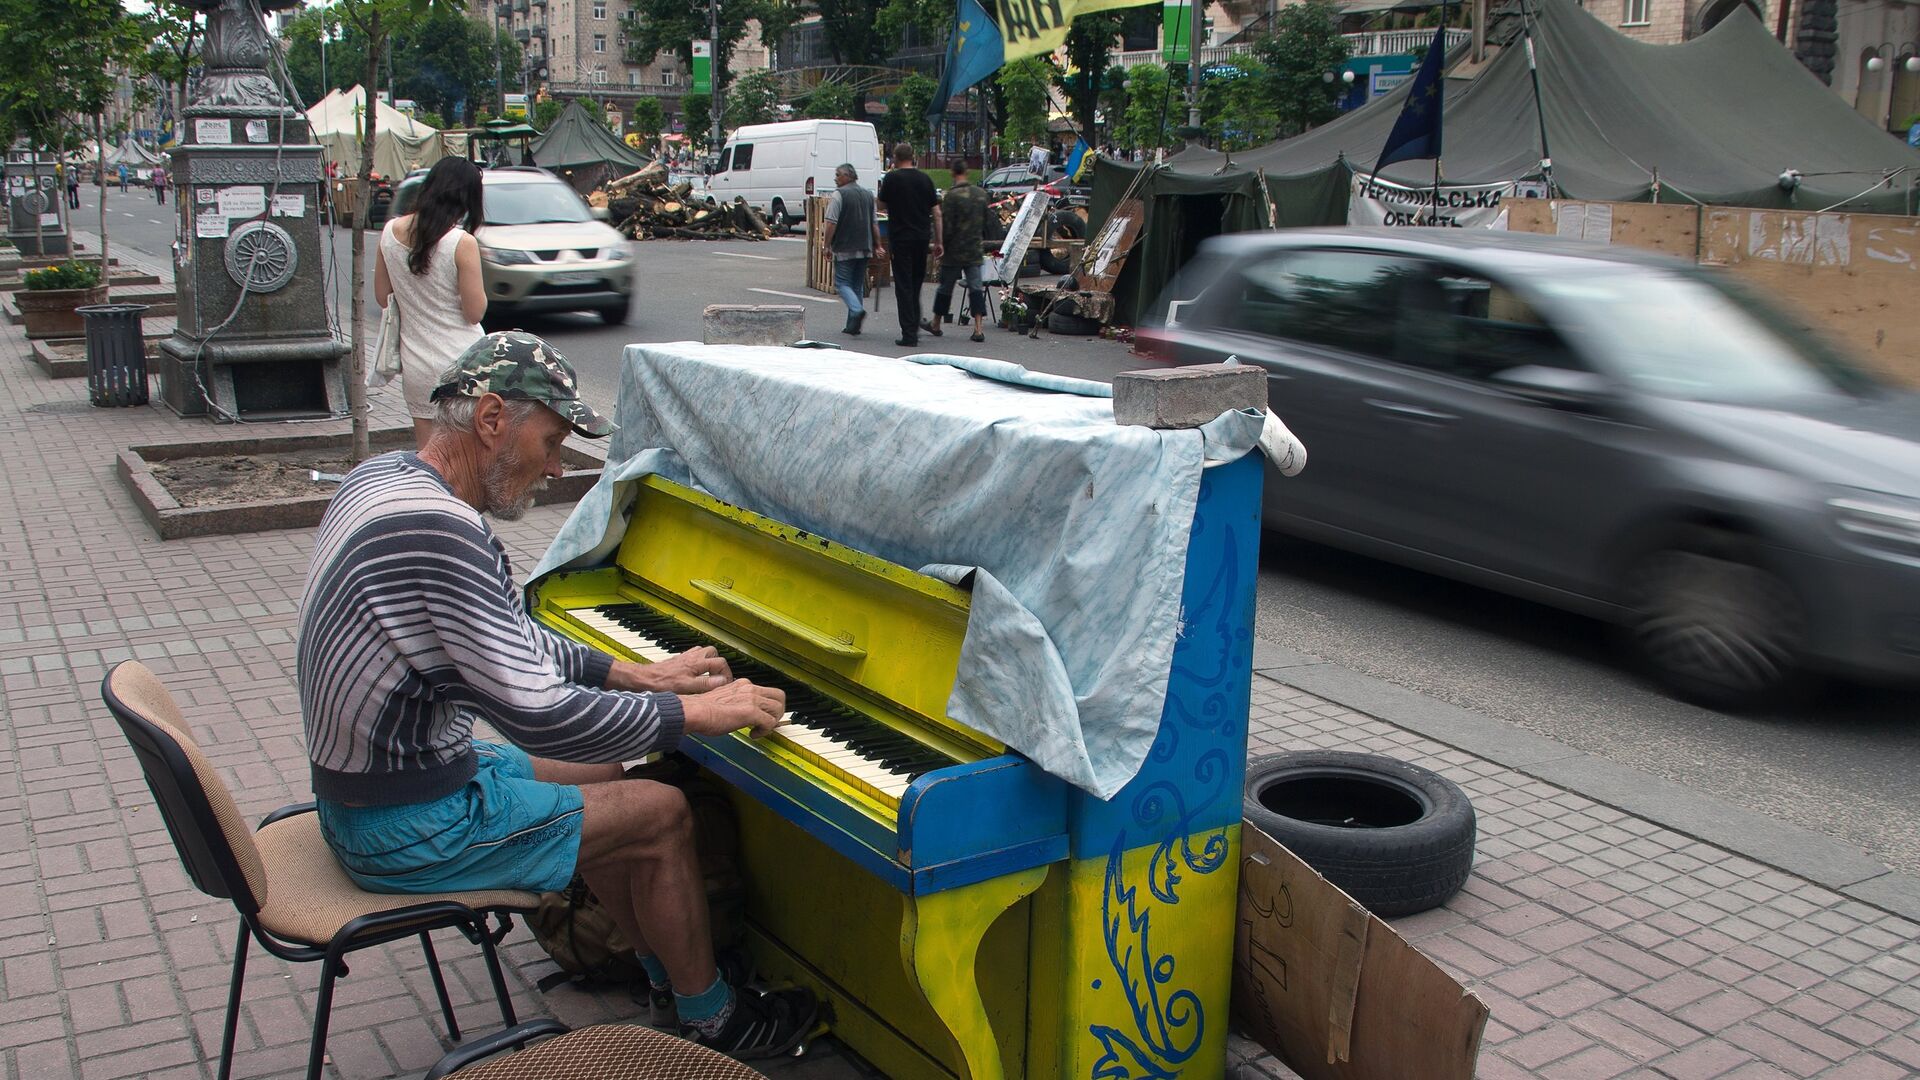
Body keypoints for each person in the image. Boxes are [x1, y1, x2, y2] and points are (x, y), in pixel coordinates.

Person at [297, 330, 820, 1060]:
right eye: (549, 440)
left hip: (378, 790)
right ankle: (714, 1017)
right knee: (662, 812)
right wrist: (696, 713)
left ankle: (664, 973)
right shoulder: (442, 531)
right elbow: (543, 718)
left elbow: (509, 639)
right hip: (404, 826)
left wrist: (636, 674)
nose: (555, 465)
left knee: (605, 777)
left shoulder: (383, 479)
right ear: (489, 420)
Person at [374, 156, 489, 449]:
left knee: (431, 460)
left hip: (417, 366)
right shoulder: (461, 243)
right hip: (464, 366)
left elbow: (382, 296)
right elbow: (474, 312)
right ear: (466, 198)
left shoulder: (389, 233)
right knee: (470, 458)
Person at [874, 143, 940, 347]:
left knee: (903, 285)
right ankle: (914, 323)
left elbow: (881, 205)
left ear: (895, 158)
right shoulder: (925, 179)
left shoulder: (892, 178)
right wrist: (939, 241)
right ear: (913, 157)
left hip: (900, 238)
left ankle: (909, 333)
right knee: (916, 283)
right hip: (921, 239)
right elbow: (936, 213)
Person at [923, 161, 990, 344]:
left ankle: (936, 324)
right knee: (976, 288)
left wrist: (940, 243)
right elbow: (986, 221)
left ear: (953, 173)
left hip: (954, 250)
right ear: (967, 172)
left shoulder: (951, 197)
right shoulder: (981, 194)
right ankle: (978, 328)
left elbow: (947, 226)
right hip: (974, 248)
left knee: (945, 288)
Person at [819, 163, 884, 336]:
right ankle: (852, 325)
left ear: (848, 176)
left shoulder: (839, 195)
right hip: (864, 246)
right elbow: (874, 223)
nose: (835, 178)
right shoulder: (868, 195)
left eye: (838, 174)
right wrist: (877, 245)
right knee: (856, 284)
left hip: (845, 246)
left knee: (842, 284)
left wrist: (827, 245)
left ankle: (856, 310)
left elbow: (831, 222)